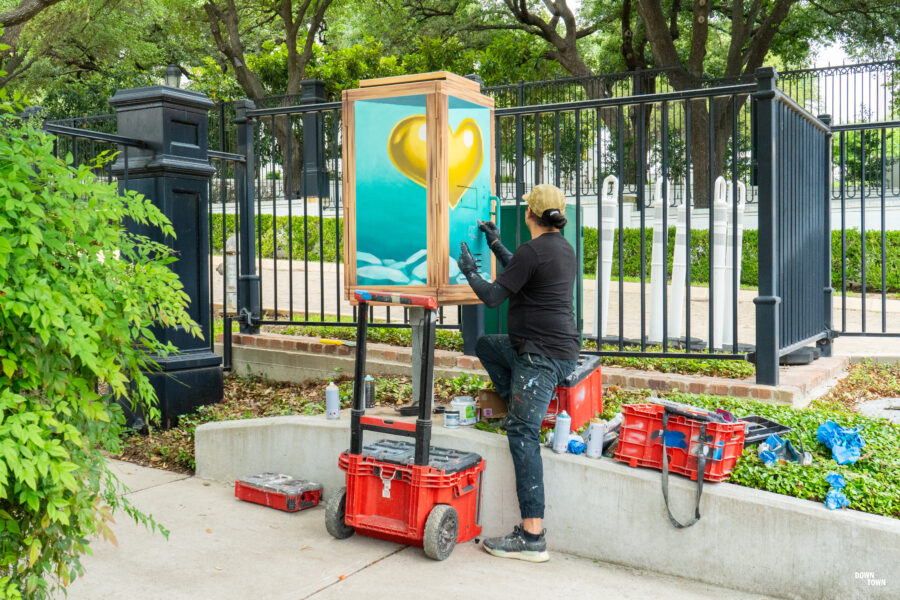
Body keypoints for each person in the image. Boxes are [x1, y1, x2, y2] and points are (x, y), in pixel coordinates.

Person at [456, 183, 579, 563]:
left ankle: (532, 536)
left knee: (521, 434)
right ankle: (518, 403)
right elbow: (520, 271)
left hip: (542, 356)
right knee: (487, 346)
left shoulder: (534, 250)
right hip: (548, 349)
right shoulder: (562, 248)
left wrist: (470, 272)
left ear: (529, 215)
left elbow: (494, 295)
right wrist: (494, 244)